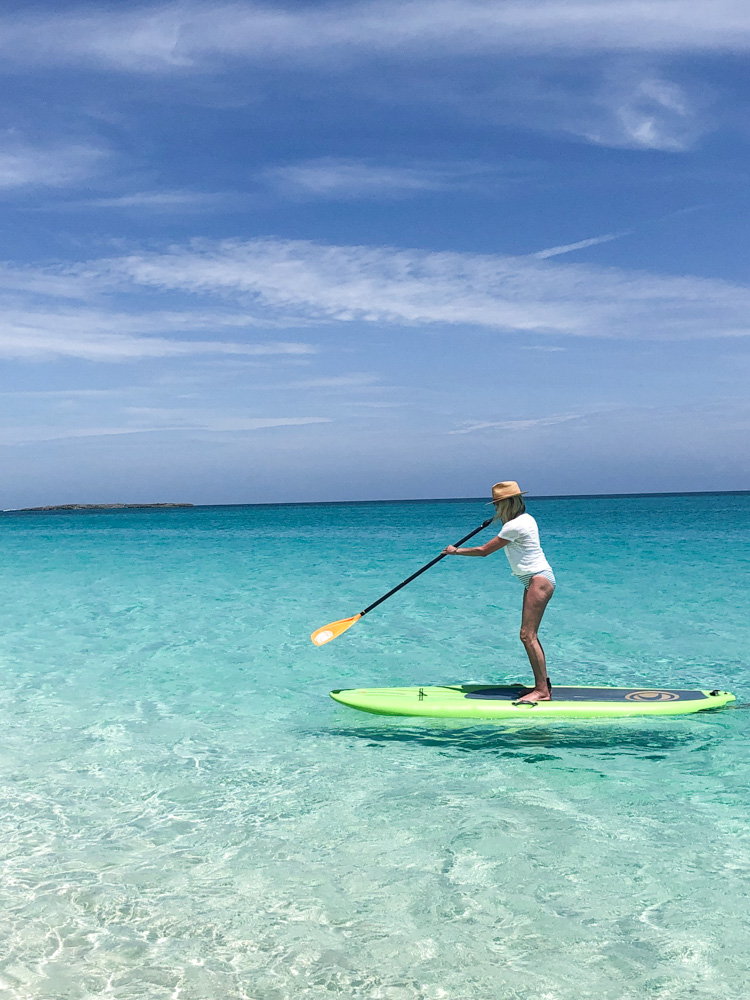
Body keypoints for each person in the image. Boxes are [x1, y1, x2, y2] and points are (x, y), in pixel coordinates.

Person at [443, 481, 556, 703]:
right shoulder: (525, 519)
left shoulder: (514, 526)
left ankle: (542, 691)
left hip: (538, 580)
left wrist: (455, 551)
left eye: (497, 506)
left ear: (507, 503)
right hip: (534, 579)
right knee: (529, 635)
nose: (496, 510)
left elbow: (484, 551)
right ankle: (542, 684)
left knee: (527, 635)